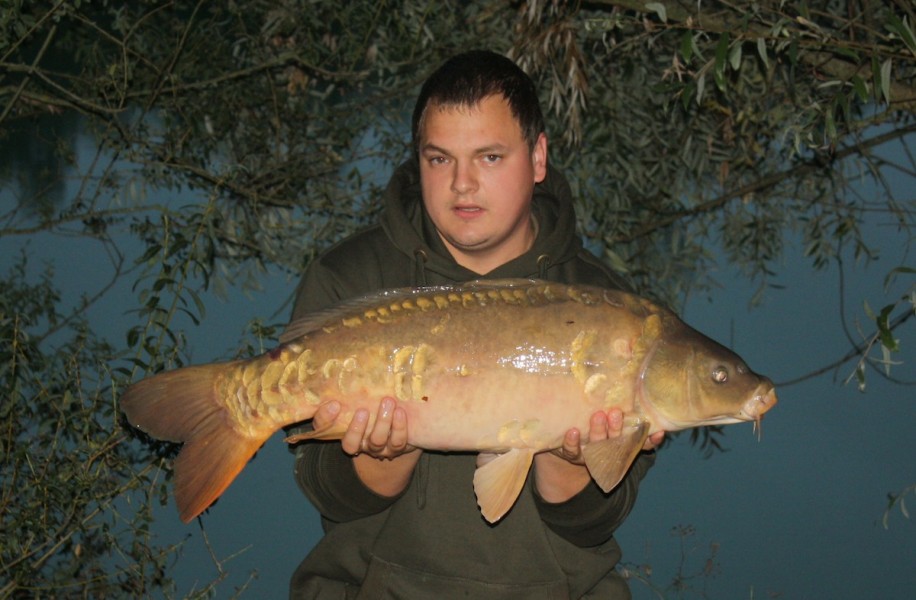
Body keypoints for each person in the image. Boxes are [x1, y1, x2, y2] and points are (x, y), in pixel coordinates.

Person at [286, 49, 664, 599]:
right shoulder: (353, 279)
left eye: (489, 157)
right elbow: (329, 496)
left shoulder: (614, 316)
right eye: (440, 159)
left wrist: (568, 462)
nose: (462, 184)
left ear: (538, 158)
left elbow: (593, 523)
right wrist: (382, 455)